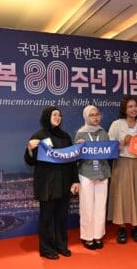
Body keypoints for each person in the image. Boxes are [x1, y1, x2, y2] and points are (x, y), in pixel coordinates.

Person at [24, 106, 80, 260]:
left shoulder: (66, 137)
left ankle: (61, 246)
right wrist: (29, 149)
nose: (58, 117)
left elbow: (72, 161)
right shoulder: (39, 136)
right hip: (47, 185)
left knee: (62, 218)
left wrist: (75, 180)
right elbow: (30, 161)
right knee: (47, 219)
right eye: (55, 115)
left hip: (64, 184)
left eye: (60, 115)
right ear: (47, 116)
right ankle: (47, 249)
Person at [107, 95, 137, 244]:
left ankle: (135, 226)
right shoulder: (116, 124)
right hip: (122, 162)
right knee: (122, 194)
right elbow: (109, 146)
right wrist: (122, 142)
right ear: (124, 109)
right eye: (130, 107)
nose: (134, 109)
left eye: (135, 106)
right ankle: (121, 227)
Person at [75, 105, 111, 250]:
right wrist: (79, 147)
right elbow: (75, 155)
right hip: (86, 172)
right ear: (86, 117)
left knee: (101, 206)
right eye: (92, 115)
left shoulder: (104, 132)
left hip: (102, 172)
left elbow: (109, 151)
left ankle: (98, 235)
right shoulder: (80, 133)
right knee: (87, 206)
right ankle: (87, 237)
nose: (95, 117)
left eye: (97, 114)